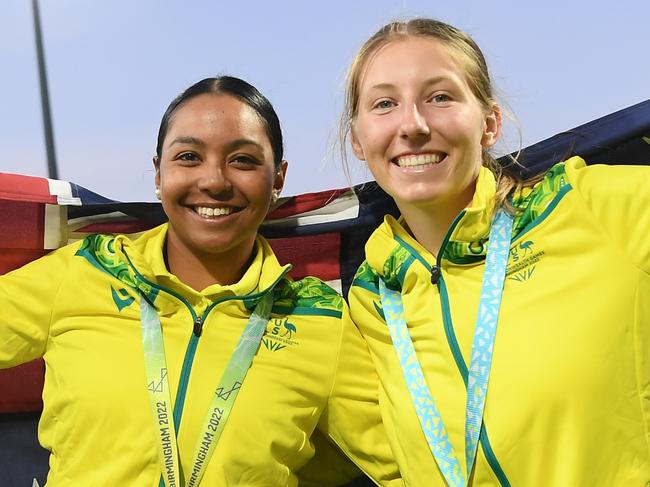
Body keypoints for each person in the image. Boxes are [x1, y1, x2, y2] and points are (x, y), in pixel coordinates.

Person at [0, 76, 401, 486]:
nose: (214, 182)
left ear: (277, 180)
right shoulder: (82, 272)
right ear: (159, 174)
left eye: (243, 159)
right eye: (189, 157)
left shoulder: (320, 319)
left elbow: (412, 463)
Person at [342, 18, 650, 486]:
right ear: (358, 140)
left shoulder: (587, 204)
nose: (413, 124)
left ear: (489, 123)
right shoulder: (368, 300)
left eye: (440, 97)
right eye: (385, 104)